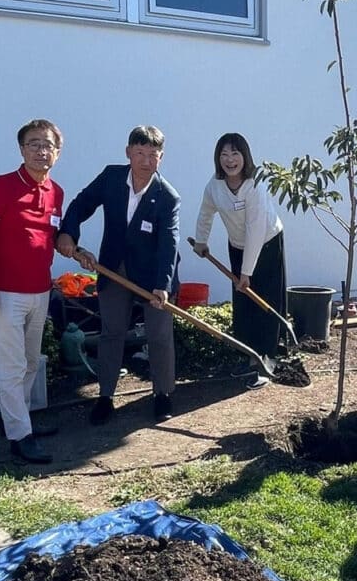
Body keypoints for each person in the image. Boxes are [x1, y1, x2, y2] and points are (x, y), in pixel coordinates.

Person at [57, 126, 180, 424]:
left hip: (154, 275)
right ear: (128, 153)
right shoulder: (112, 177)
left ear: (161, 157)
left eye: (153, 155)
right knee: (112, 332)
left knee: (159, 335)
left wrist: (162, 286)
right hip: (114, 268)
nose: (146, 161)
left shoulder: (167, 196)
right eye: (140, 153)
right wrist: (68, 232)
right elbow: (82, 203)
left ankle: (162, 394)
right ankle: (105, 397)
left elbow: (169, 244)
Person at [0, 119, 64, 464]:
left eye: (48, 145)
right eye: (34, 144)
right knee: (11, 367)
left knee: (30, 364)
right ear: (22, 150)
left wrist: (72, 246)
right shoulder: (0, 186)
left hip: (40, 291)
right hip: (4, 294)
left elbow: (50, 236)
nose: (41, 151)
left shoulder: (56, 192)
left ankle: (19, 422)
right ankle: (20, 436)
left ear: (57, 152)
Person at [193, 133, 285, 389]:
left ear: (245, 156)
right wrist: (201, 240)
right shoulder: (215, 185)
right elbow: (206, 212)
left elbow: (256, 230)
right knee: (243, 304)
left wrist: (246, 273)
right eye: (224, 154)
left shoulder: (256, 185)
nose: (230, 160)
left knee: (265, 301)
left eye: (235, 153)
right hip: (237, 246)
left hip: (266, 244)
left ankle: (266, 361)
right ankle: (247, 356)